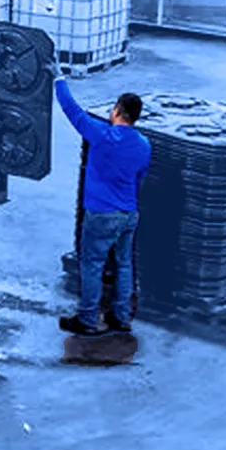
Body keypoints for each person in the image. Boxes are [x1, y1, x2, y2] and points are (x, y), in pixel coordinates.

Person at [53, 79, 151, 336]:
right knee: (124, 264)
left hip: (101, 215)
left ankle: (87, 319)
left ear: (117, 111)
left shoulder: (103, 135)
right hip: (129, 214)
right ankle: (121, 317)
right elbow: (140, 179)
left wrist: (58, 79)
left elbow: (72, 111)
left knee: (93, 265)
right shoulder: (144, 145)